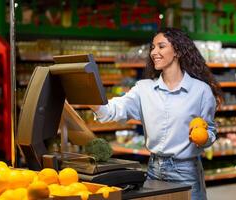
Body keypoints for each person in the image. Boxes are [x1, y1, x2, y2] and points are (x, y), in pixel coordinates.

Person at [90, 27, 222, 200]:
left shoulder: (201, 91)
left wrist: (204, 138)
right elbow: (113, 110)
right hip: (154, 168)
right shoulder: (144, 89)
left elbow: (210, 130)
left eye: (161, 46)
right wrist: (90, 99)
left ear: (178, 51)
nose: (154, 52)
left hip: (186, 170)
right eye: (152, 47)